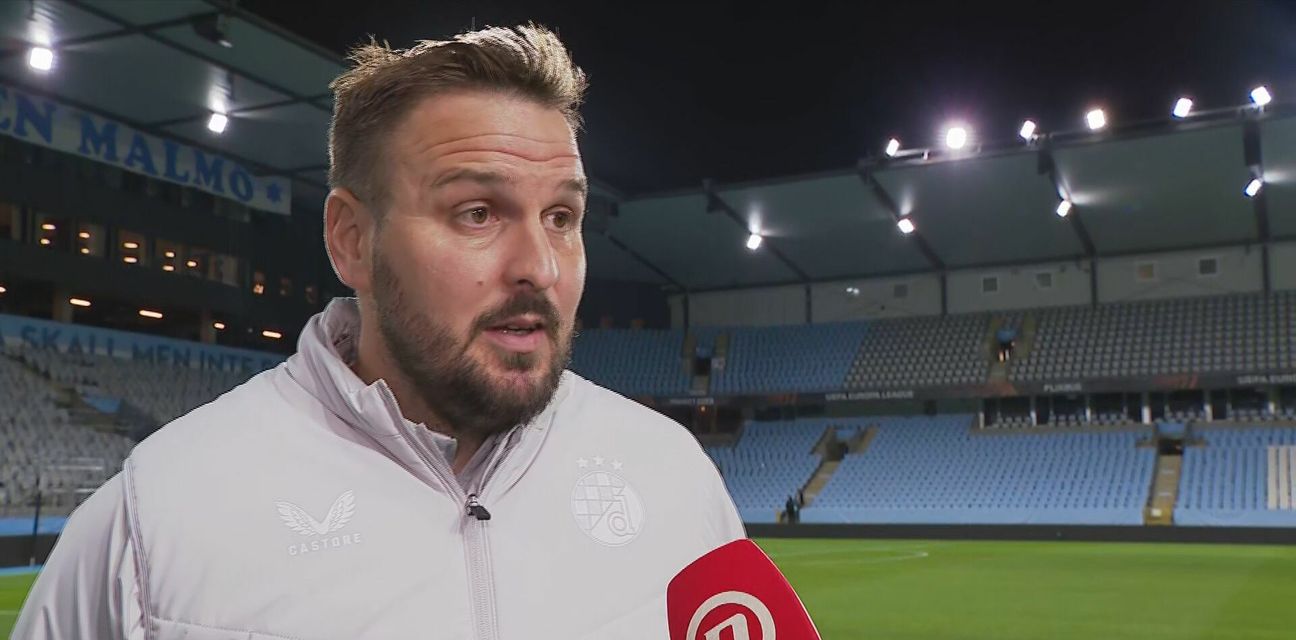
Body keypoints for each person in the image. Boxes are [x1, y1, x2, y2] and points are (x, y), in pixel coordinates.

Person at [15, 25, 743, 639]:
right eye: (477, 213)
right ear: (351, 240)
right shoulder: (152, 520)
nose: (540, 267)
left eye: (562, 217)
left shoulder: (673, 478)